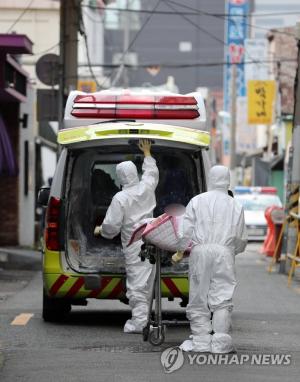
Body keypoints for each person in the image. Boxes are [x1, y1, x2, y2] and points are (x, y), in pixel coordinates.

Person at [173, 165, 247, 353]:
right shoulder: (235, 205)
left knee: (199, 295)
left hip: (201, 251)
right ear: (228, 180)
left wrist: (180, 250)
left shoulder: (197, 201)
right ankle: (221, 344)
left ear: (210, 179)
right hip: (224, 252)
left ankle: (201, 342)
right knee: (222, 297)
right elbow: (241, 238)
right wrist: (231, 251)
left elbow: (186, 230)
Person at [94, 139, 159, 333]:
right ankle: (147, 317)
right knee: (147, 281)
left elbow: (111, 227)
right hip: (152, 239)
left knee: (137, 284)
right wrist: (147, 153)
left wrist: (100, 231)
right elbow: (151, 173)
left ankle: (139, 323)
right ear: (134, 173)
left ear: (121, 177)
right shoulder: (146, 187)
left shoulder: (120, 198)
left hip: (134, 244)